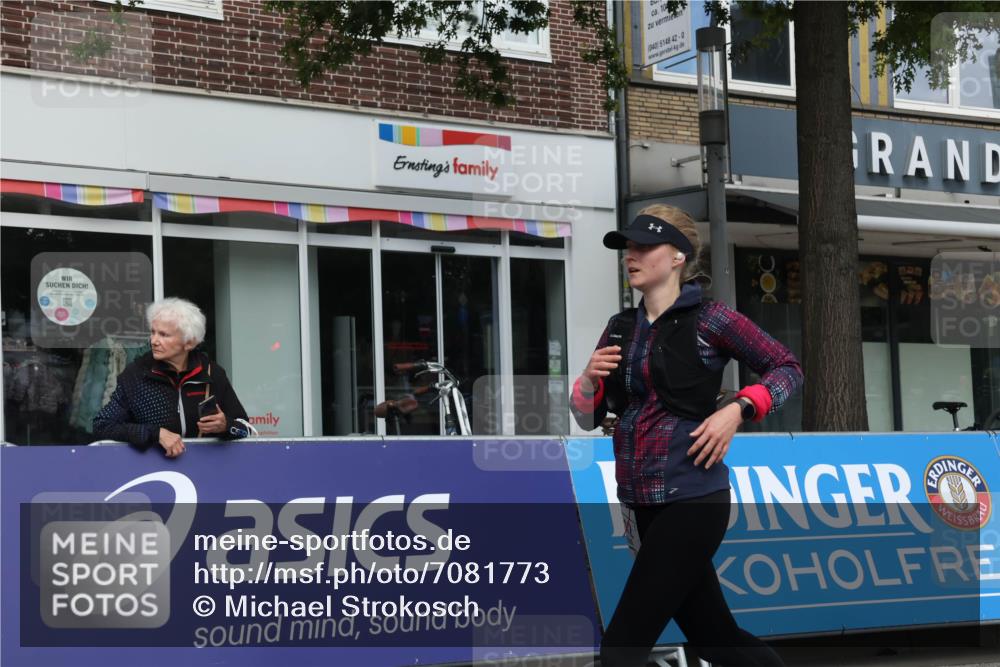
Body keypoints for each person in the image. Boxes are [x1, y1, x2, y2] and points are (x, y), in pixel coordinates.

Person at [571, 205, 803, 667]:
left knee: (621, 648)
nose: (631, 256)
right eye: (628, 248)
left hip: (693, 499)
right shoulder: (620, 328)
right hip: (641, 503)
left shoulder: (712, 320)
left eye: (644, 246)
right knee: (717, 638)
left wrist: (738, 409)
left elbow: (788, 368)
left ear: (677, 256)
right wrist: (588, 384)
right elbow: (587, 417)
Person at [93, 298, 251, 457]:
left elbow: (245, 430)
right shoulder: (136, 374)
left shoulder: (211, 373)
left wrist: (226, 426)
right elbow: (103, 426)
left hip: (207, 470)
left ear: (189, 342)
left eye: (164, 335)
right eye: (153, 332)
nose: (153, 341)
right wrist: (155, 433)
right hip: (154, 472)